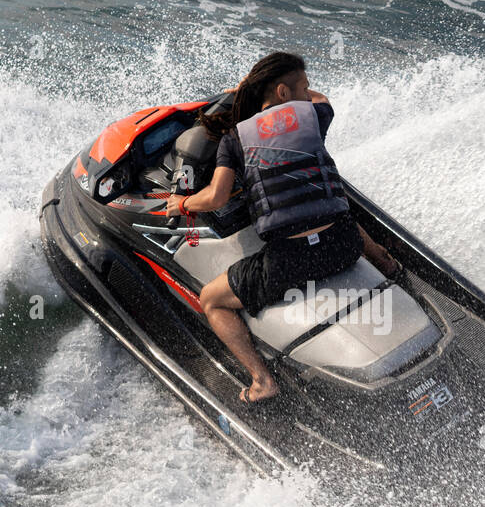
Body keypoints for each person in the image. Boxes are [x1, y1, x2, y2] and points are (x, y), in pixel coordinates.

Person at [166, 52, 400, 403]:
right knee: (338, 210)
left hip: (293, 262)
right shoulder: (312, 116)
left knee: (211, 300)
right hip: (344, 246)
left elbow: (216, 197)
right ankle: (388, 264)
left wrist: (182, 203)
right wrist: (265, 89)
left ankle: (262, 381)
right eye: (302, 87)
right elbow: (322, 100)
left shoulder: (235, 139)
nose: (309, 94)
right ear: (282, 92)